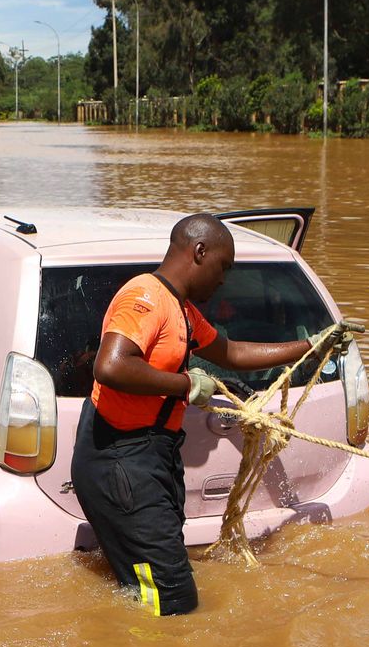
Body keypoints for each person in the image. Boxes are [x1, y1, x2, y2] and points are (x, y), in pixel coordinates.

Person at [71, 214, 320, 617]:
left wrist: (311, 344)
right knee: (171, 599)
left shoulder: (182, 311)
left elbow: (231, 353)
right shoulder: (146, 297)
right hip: (120, 458)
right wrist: (186, 386)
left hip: (151, 456)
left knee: (149, 582)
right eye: (223, 267)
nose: (223, 280)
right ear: (199, 252)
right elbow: (111, 366)